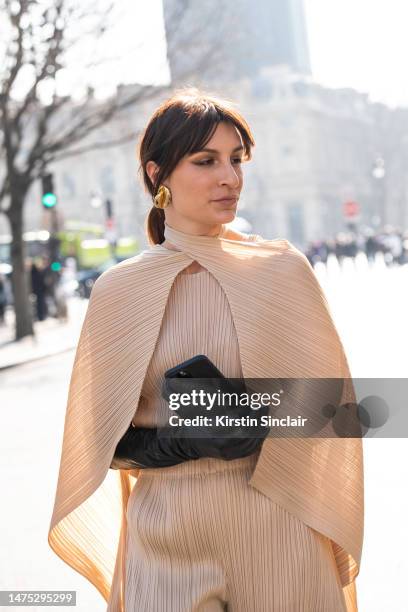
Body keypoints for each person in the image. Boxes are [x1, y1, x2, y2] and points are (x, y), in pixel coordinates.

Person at [48, 89, 364, 612]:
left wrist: (252, 411)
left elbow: (339, 416)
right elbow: (99, 444)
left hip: (280, 531)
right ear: (157, 175)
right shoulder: (118, 291)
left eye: (236, 160)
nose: (230, 177)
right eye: (206, 161)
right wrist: (182, 441)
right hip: (165, 539)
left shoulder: (282, 272)